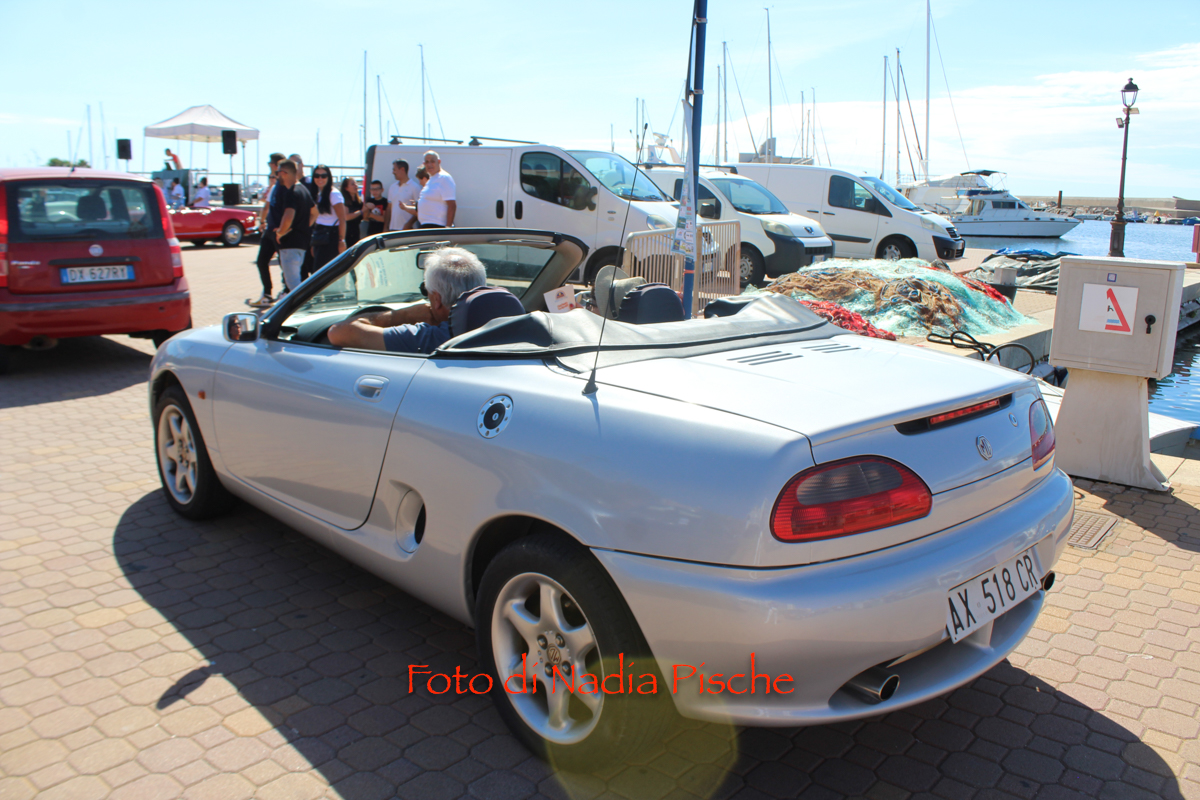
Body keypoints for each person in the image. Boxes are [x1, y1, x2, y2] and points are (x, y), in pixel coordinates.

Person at [327, 247, 485, 353]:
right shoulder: (499, 322)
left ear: (437, 299)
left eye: (427, 292)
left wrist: (400, 316)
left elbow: (338, 333)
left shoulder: (431, 337)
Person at [249, 153, 286, 307]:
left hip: (279, 230)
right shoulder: (275, 185)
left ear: (276, 165)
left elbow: (268, 206)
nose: (269, 166)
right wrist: (263, 221)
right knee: (262, 261)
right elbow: (267, 205)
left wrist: (263, 221)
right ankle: (267, 293)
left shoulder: (284, 185)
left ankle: (286, 291)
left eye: (270, 163)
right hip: (270, 229)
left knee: (284, 263)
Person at [272, 160, 314, 295]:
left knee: (293, 286)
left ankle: (304, 307)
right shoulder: (304, 190)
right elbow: (315, 212)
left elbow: (288, 215)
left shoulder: (291, 192)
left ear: (284, 173)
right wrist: (303, 226)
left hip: (290, 244)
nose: (277, 176)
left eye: (278, 172)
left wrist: (280, 232)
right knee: (296, 282)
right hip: (301, 243)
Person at [399, 150, 456, 228]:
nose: (429, 164)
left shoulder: (444, 178)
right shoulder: (432, 179)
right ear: (424, 164)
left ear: (439, 162)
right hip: (426, 225)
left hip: (437, 226)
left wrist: (448, 228)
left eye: (432, 161)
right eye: (427, 162)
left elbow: (452, 205)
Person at [309, 165, 347, 272]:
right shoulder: (318, 194)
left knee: (328, 271)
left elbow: (342, 219)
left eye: (323, 176)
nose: (320, 178)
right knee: (318, 270)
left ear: (329, 177)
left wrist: (341, 240)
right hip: (319, 234)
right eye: (317, 175)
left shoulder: (334, 194)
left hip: (331, 235)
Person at [289, 154, 317, 280]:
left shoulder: (310, 184)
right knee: (299, 269)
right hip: (296, 233)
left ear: (302, 165)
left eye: (295, 164)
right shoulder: (289, 186)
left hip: (311, 231)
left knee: (313, 266)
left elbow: (316, 210)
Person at [386, 159, 420, 231]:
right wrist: (386, 227)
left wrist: (409, 224)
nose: (393, 172)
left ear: (402, 169)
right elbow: (389, 208)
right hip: (393, 229)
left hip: (408, 230)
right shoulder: (392, 187)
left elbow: (419, 209)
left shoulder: (415, 187)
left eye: (394, 169)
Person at [340, 177, 363, 247]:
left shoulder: (359, 202)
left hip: (356, 232)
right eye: (353, 184)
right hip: (347, 233)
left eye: (356, 183)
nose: (356, 185)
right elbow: (346, 217)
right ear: (346, 188)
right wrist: (361, 211)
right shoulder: (344, 201)